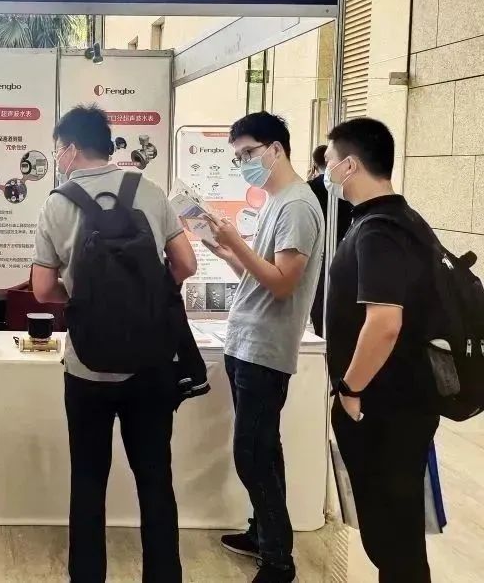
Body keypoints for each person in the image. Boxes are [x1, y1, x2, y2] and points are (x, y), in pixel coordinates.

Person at [32, 105, 198, 583]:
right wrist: (146, 296)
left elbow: (42, 290)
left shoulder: (57, 203)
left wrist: (83, 296)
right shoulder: (149, 191)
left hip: (87, 367)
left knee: (88, 480)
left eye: (58, 148)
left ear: (70, 148)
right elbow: (186, 265)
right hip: (151, 365)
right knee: (155, 479)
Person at [205, 112, 324, 583]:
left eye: (248, 153)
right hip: (246, 342)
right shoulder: (277, 201)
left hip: (265, 348)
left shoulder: (297, 206)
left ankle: (278, 561)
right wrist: (229, 254)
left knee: (252, 454)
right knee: (263, 450)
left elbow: (282, 284)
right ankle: (264, 534)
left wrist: (237, 241)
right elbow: (261, 277)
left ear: (276, 149)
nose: (243, 164)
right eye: (237, 157)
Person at [324, 118, 439, 582]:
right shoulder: (402, 219)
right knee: (397, 532)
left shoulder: (379, 230)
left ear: (350, 165)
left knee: (393, 536)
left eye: (330, 162)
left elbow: (385, 323)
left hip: (384, 405)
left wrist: (350, 390)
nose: (327, 172)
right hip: (402, 401)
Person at [306, 144, 353, 336]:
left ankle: (321, 334)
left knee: (319, 298)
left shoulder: (309, 189)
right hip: (343, 248)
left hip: (319, 251)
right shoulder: (345, 188)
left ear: (315, 164)